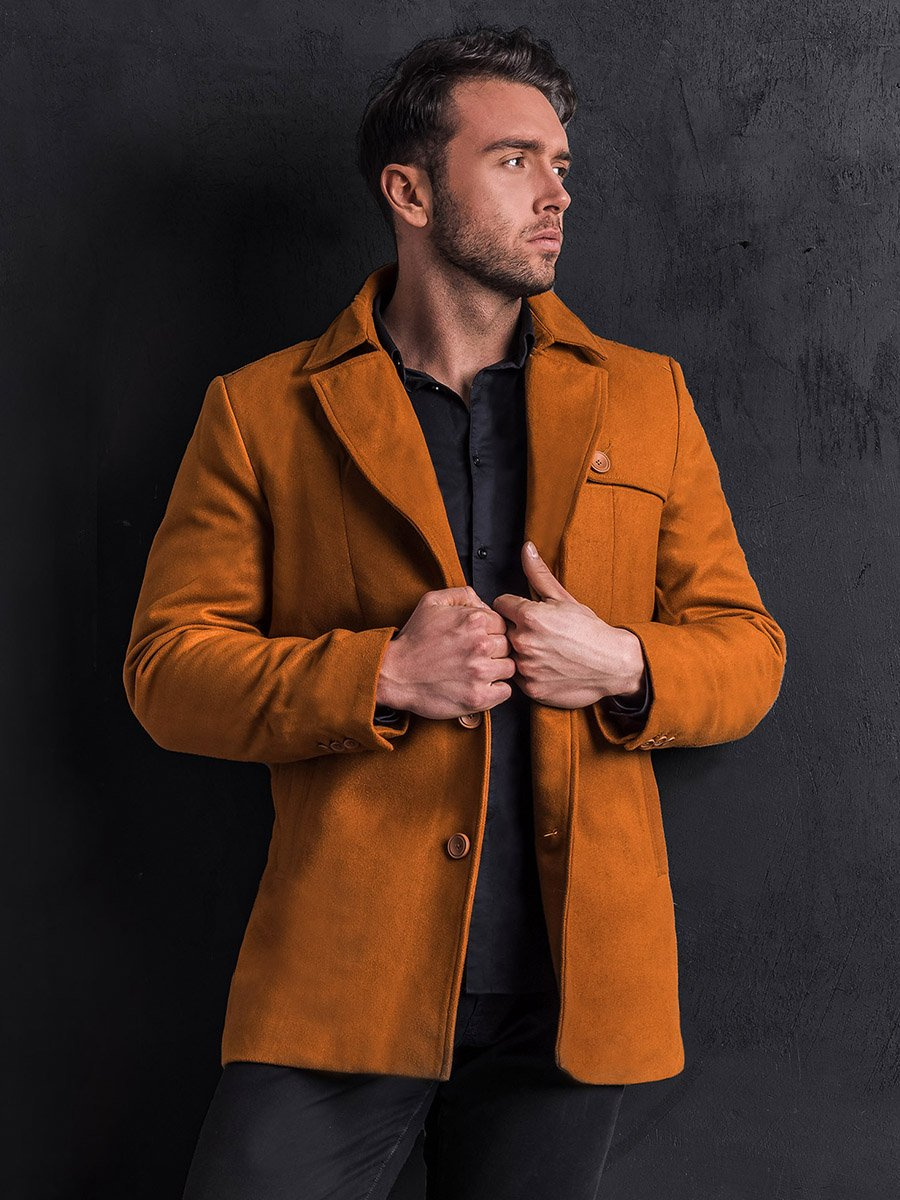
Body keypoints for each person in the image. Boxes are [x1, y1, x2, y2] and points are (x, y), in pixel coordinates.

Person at [122, 24, 787, 1200]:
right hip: (343, 979)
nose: (557, 194)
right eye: (516, 160)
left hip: (572, 998)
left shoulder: (646, 398)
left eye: (562, 165)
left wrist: (623, 662)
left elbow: (749, 650)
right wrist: (379, 674)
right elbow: (168, 670)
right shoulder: (261, 411)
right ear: (412, 192)